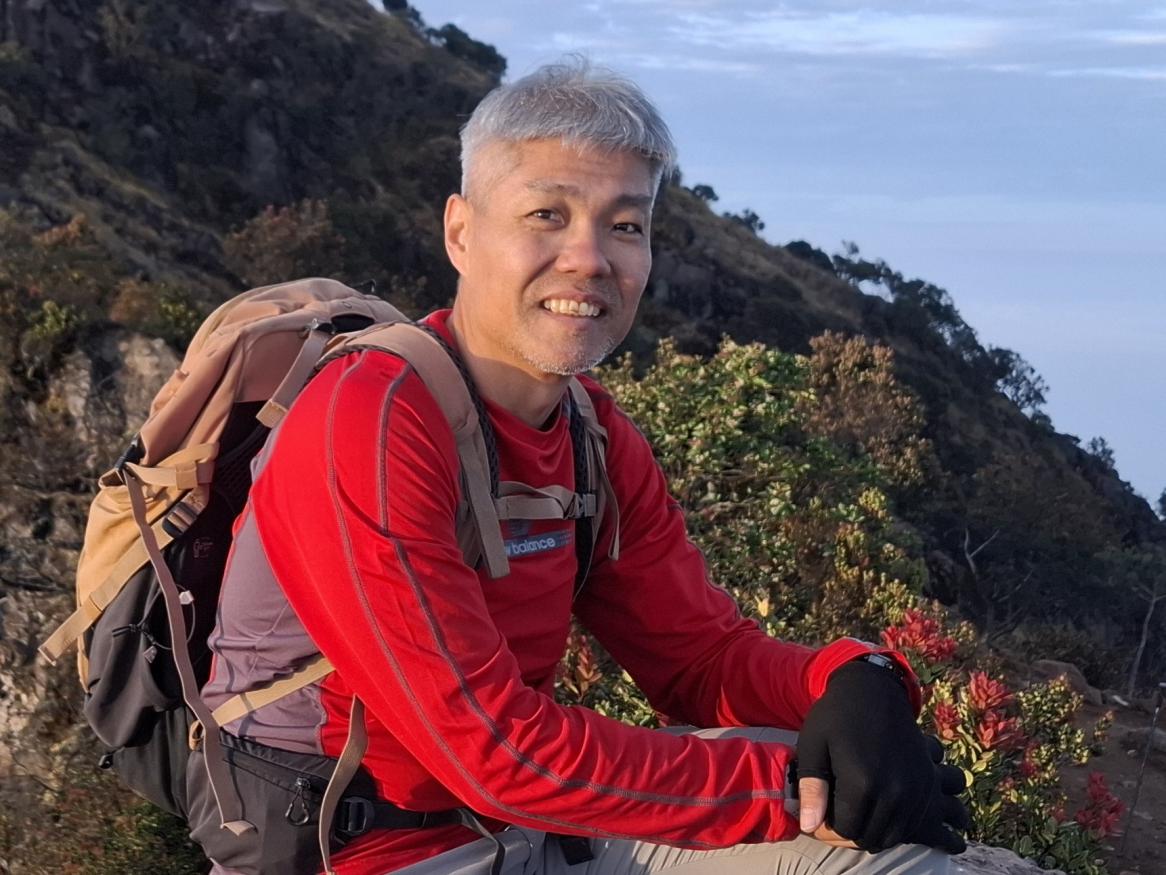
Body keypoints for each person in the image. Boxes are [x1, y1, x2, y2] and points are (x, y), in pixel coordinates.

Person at [196, 59, 969, 874]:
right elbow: (489, 748)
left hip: (523, 830)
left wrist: (854, 679)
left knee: (892, 857)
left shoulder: (590, 433)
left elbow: (700, 661)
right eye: (546, 214)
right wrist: (799, 789)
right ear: (460, 232)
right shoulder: (370, 417)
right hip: (367, 848)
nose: (588, 258)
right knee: (828, 806)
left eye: (625, 225)